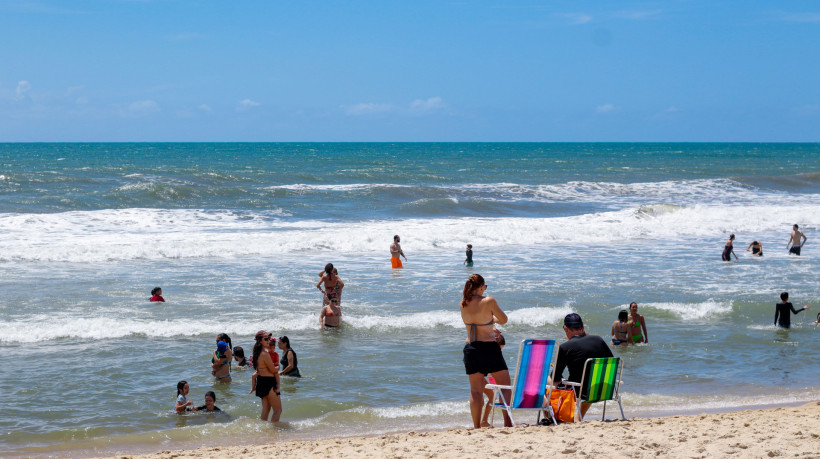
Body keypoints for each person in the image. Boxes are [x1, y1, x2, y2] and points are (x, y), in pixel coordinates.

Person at [460, 274, 512, 428]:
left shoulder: (463, 303)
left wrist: (488, 321)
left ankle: (476, 426)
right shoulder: (488, 301)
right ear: (481, 286)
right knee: (504, 385)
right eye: (485, 287)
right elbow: (504, 320)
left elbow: (475, 323)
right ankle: (507, 422)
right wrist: (492, 320)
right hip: (489, 348)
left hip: (471, 349)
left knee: (476, 391)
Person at [553, 313, 614, 418]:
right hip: (602, 388)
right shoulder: (598, 340)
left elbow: (556, 378)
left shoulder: (565, 347)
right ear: (582, 327)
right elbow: (611, 361)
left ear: (566, 329)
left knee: (549, 378)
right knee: (590, 380)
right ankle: (578, 418)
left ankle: (556, 416)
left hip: (579, 390)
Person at [249, 330, 282, 422]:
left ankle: (263, 432)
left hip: (261, 382)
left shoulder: (257, 353)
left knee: (266, 409)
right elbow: (273, 370)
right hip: (269, 382)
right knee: (278, 410)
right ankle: (273, 432)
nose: (268, 340)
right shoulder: (265, 354)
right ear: (260, 341)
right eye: (266, 339)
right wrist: (278, 367)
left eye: (269, 338)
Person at [480, 334, 505, 427]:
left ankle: (482, 421)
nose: (499, 351)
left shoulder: (485, 351)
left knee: (489, 398)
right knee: (490, 398)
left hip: (480, 377)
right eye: (499, 348)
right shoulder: (489, 354)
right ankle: (483, 421)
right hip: (480, 378)